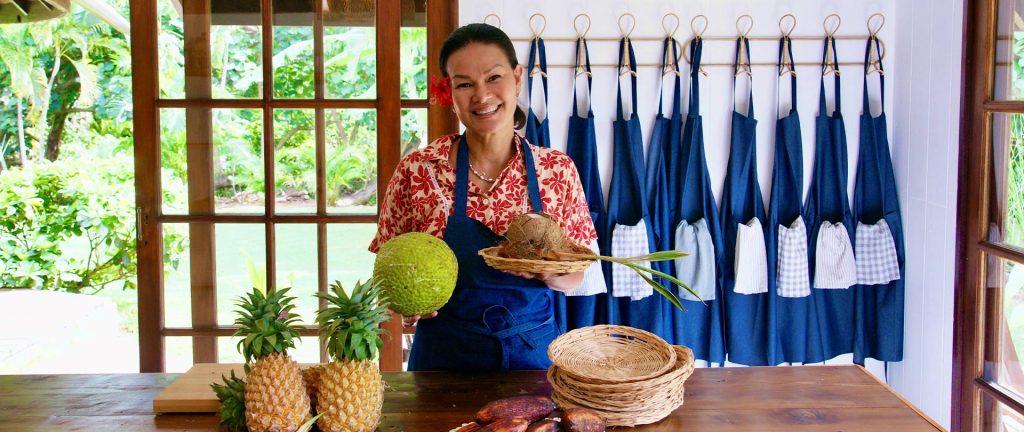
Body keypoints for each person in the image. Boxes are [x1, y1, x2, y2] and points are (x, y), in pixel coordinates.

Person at [368, 23, 597, 371]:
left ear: (517, 78)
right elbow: (386, 271)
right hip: (442, 358)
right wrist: (405, 301)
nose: (481, 95)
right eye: (464, 84)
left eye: (493, 78)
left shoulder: (556, 170)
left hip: (533, 356)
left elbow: (579, 278)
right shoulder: (418, 170)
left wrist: (548, 272)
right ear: (449, 93)